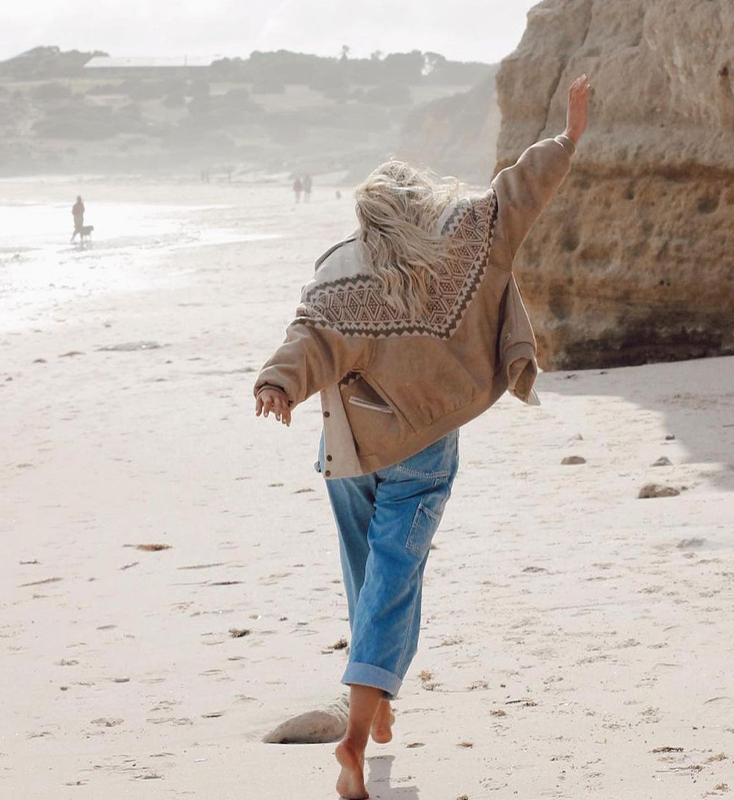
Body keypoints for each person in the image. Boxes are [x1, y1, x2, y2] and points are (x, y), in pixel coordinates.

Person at [253, 74, 591, 799]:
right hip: (421, 450)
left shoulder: (339, 271)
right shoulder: (462, 243)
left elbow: (307, 337)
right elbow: (518, 191)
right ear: (417, 204)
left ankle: (373, 705)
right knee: (393, 583)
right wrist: (567, 137)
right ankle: (354, 733)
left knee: (367, 578)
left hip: (345, 450)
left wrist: (277, 385)